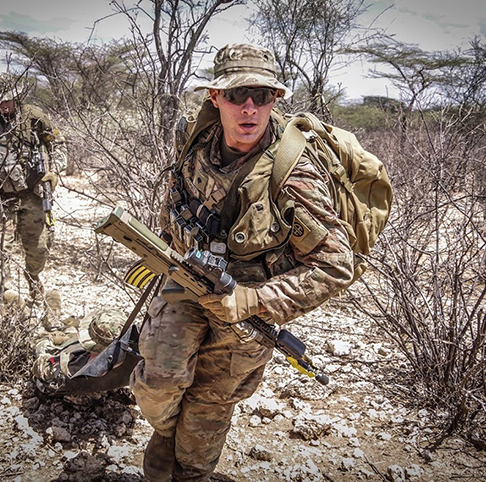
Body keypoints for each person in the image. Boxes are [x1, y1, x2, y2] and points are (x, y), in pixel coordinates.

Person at [130, 43, 360, 481]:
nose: (250, 108)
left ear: (276, 98)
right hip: (185, 280)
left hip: (248, 310)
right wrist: (163, 248)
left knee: (205, 416)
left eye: (263, 95)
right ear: (215, 97)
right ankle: (164, 432)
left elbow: (335, 266)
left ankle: (189, 467)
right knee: (158, 385)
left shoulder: (294, 173)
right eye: (237, 95)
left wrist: (254, 300)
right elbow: (179, 194)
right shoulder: (194, 137)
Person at [0, 73, 67, 327]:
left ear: (17, 97)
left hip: (31, 193)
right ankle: (6, 299)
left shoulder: (34, 116)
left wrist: (55, 171)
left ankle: (34, 284)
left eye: (7, 101)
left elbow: (59, 145)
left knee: (38, 248)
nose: (3, 105)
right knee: (0, 248)